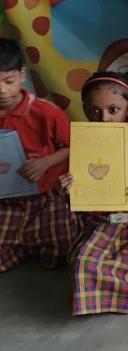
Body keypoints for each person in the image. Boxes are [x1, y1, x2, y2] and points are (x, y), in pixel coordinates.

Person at [57, 72, 128, 315]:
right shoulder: (82, 148)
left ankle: (127, 291)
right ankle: (103, 295)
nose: (103, 119)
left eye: (113, 110)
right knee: (85, 262)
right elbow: (80, 200)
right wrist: (67, 190)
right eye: (94, 111)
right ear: (84, 110)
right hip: (100, 225)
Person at [0, 38, 77, 272]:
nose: (2, 91)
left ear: (22, 75)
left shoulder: (46, 112)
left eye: (8, 81)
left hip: (47, 199)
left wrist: (46, 162)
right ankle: (20, 247)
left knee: (67, 249)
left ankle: (31, 246)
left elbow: (74, 147)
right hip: (6, 203)